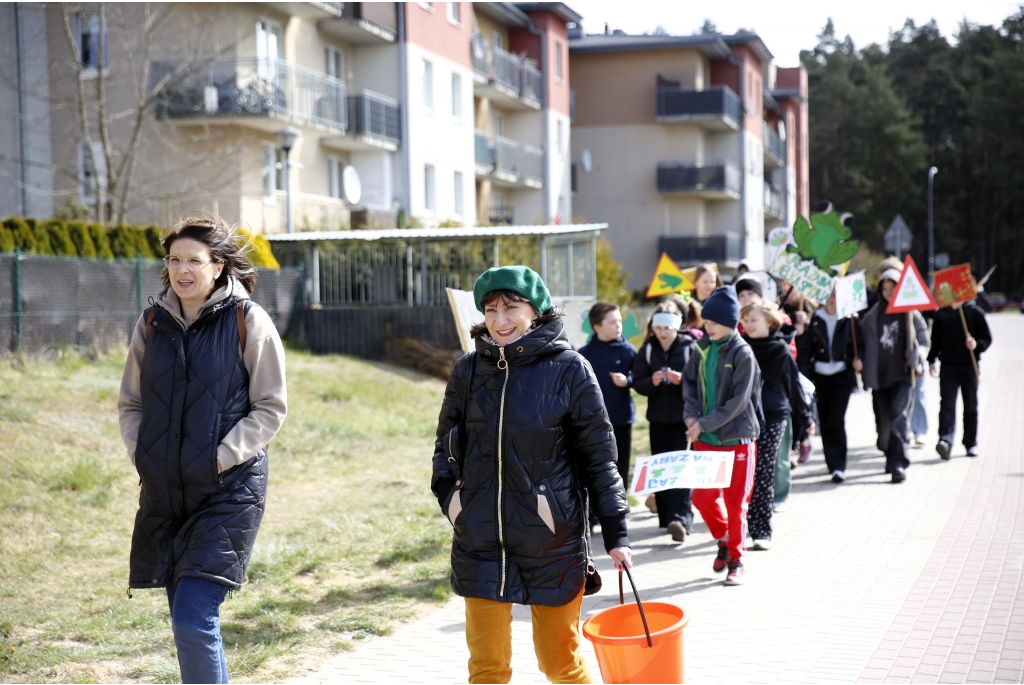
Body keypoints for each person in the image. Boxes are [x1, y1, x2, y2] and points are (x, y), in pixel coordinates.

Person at [431, 266, 631, 684]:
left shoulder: (570, 369)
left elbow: (599, 457)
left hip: (551, 542)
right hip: (480, 539)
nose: (500, 320)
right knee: (486, 670)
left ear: (535, 311)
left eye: (511, 308)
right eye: (490, 310)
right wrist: (455, 504)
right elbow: (445, 448)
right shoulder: (467, 370)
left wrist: (616, 531)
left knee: (560, 665)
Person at [118, 217, 288, 684]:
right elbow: (131, 402)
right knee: (190, 623)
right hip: (166, 492)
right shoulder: (152, 322)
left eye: (194, 260)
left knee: (194, 616)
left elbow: (271, 407)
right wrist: (142, 455)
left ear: (218, 266)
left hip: (228, 490)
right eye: (174, 260)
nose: (182, 269)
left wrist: (219, 456)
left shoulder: (246, 319)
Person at [682, 287, 761, 585]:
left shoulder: (743, 353)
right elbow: (689, 386)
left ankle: (736, 561)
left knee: (735, 502)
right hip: (706, 440)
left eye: (714, 321)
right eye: (706, 321)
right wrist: (691, 417)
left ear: (730, 321)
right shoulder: (701, 348)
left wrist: (705, 423)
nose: (708, 326)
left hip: (738, 439)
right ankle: (725, 540)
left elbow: (739, 402)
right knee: (701, 497)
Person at [740, 301, 811, 550]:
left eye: (753, 320)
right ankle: (741, 524)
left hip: (774, 415)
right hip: (744, 416)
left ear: (769, 322)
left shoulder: (780, 349)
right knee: (744, 472)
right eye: (745, 320)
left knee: (763, 470)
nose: (748, 325)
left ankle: (761, 528)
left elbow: (793, 385)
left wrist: (806, 419)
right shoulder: (740, 347)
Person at [632, 300, 699, 542]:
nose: (662, 332)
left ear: (677, 326)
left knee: (682, 468)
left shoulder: (691, 346)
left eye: (667, 328)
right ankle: (667, 518)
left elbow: (700, 380)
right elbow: (637, 381)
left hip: (684, 418)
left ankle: (680, 518)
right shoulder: (648, 349)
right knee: (661, 469)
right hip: (658, 419)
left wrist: (683, 380)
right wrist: (652, 381)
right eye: (658, 328)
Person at [860, 268, 929, 483]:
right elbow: (861, 343)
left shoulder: (910, 313)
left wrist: (919, 356)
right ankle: (888, 450)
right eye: (885, 288)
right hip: (879, 378)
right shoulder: (872, 316)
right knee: (884, 424)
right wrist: (858, 359)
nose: (889, 292)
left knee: (899, 416)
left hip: (903, 376)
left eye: (893, 288)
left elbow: (924, 339)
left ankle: (898, 462)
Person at [797, 290, 864, 483]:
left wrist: (858, 360)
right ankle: (831, 461)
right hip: (820, 377)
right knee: (824, 421)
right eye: (828, 295)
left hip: (842, 376)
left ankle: (838, 466)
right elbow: (807, 348)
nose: (832, 300)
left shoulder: (850, 318)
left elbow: (859, 346)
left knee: (836, 420)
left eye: (836, 295)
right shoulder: (816, 318)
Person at [579, 302, 637, 490]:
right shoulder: (583, 355)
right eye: (612, 322)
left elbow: (642, 377)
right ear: (597, 327)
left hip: (621, 420)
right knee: (594, 468)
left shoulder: (628, 350)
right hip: (592, 423)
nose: (618, 325)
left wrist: (628, 380)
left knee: (620, 466)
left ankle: (620, 509)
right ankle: (593, 513)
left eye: (619, 321)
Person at [928, 298, 992, 459]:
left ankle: (970, 443)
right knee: (947, 404)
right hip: (948, 367)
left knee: (970, 406)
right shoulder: (942, 314)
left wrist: (976, 344)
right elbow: (935, 341)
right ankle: (945, 440)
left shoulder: (975, 312)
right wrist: (931, 359)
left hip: (970, 366)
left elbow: (987, 338)